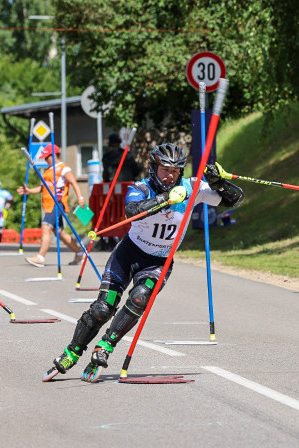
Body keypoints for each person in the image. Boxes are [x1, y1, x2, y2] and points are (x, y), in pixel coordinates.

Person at [43, 143, 244, 382]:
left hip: (159, 261)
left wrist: (219, 182)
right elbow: (132, 210)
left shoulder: (193, 187)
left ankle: (105, 346)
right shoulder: (141, 187)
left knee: (139, 298)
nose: (170, 175)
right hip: (128, 254)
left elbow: (234, 200)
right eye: (164, 169)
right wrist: (166, 199)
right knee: (102, 308)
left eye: (175, 170)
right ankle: (72, 352)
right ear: (153, 167)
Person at [17, 144, 86, 267]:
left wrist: (80, 198)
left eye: (47, 157)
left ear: (54, 155)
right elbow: (44, 188)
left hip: (57, 203)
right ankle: (80, 253)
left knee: (46, 226)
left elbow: (74, 183)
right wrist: (29, 191)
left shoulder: (63, 168)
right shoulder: (49, 170)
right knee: (59, 232)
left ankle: (40, 257)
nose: (45, 159)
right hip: (48, 205)